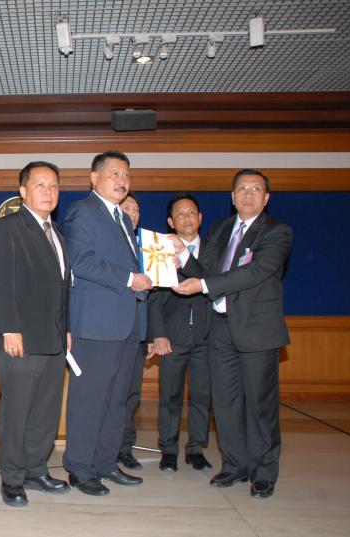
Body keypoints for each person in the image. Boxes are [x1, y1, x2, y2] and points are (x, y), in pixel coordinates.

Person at [174, 169, 291, 499]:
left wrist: (203, 284)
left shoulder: (277, 231)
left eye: (256, 189)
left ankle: (263, 472)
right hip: (220, 328)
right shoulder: (221, 228)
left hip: (257, 331)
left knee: (260, 406)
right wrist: (182, 254)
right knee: (224, 403)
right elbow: (206, 272)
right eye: (242, 188)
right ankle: (235, 465)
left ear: (266, 198)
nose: (248, 194)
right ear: (232, 196)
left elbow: (254, 272)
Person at [62, 151, 152, 496]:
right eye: (114, 173)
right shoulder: (83, 211)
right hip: (96, 326)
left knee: (117, 401)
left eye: (126, 174)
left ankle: (105, 463)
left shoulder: (123, 219)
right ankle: (80, 468)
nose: (122, 180)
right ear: (94, 178)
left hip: (127, 324)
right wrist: (130, 279)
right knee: (90, 400)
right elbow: (80, 261)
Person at [0, 161, 71, 507]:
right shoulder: (8, 227)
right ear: (23, 192)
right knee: (18, 410)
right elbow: (0, 281)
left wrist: (66, 329)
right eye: (40, 185)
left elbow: (62, 289)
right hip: (19, 337)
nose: (48, 191)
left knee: (46, 411)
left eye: (54, 185)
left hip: (53, 338)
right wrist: (9, 328)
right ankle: (12, 477)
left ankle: (36, 469)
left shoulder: (57, 233)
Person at [150, 194, 212, 472]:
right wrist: (158, 333)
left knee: (202, 395)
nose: (187, 218)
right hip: (172, 337)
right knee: (170, 396)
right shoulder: (160, 251)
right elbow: (153, 298)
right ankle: (169, 449)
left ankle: (196, 448)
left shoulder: (215, 249)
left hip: (207, 336)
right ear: (170, 222)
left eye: (191, 213)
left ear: (200, 218)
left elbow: (215, 282)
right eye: (180, 214)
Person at [116, 193, 150, 471]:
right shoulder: (110, 245)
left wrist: (152, 334)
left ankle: (124, 447)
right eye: (126, 207)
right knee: (110, 394)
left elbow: (158, 298)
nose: (132, 213)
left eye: (136, 209)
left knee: (131, 394)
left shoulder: (150, 248)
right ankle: (107, 445)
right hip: (112, 332)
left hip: (138, 332)